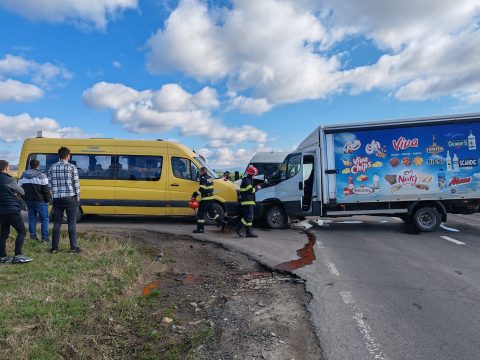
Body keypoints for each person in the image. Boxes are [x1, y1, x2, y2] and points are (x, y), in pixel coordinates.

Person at [48, 147, 81, 254]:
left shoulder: (52, 167)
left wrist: (53, 196)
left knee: (57, 223)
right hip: (70, 198)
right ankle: (73, 247)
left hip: (57, 199)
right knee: (71, 223)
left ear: (59, 155)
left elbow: (49, 185)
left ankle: (54, 248)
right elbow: (76, 183)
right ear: (68, 155)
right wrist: (78, 196)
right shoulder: (72, 167)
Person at [0, 160, 32, 264]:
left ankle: (2, 256)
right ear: (5, 168)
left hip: (1, 211)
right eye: (8, 167)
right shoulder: (8, 179)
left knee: (3, 233)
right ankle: (18, 255)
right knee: (21, 231)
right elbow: (22, 191)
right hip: (12, 210)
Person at [18, 159, 51, 243]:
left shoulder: (23, 176)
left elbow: (19, 189)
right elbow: (46, 190)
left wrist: (24, 198)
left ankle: (33, 237)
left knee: (32, 219)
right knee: (44, 219)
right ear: (38, 166)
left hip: (28, 201)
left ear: (30, 165)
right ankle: (45, 238)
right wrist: (48, 201)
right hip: (40, 201)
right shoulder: (42, 176)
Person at [191, 167, 228, 234]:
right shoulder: (209, 177)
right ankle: (223, 223)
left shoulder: (203, 179)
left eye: (200, 172)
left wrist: (195, 195)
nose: (200, 173)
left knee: (200, 213)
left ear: (202, 172)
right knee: (212, 213)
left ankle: (200, 229)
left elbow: (202, 189)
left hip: (205, 199)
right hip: (211, 198)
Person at [235, 166, 259, 238]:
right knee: (248, 217)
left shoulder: (248, 179)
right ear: (252, 173)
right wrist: (257, 188)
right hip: (247, 201)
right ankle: (238, 228)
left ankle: (248, 233)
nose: (255, 176)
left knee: (249, 218)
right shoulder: (246, 180)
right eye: (254, 174)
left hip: (248, 201)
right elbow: (250, 190)